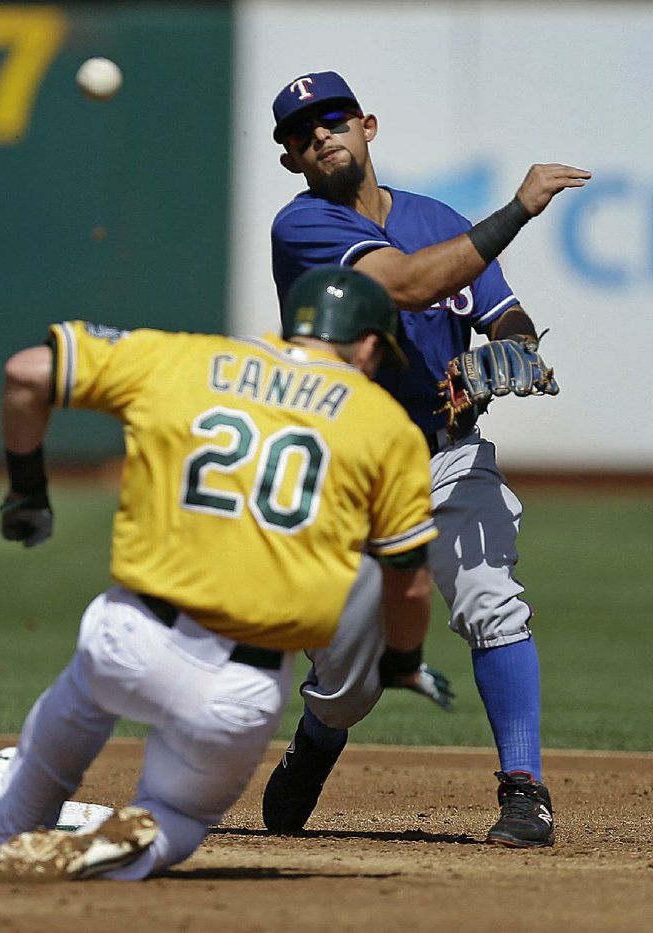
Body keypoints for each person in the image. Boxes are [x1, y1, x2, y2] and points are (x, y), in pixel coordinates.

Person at [0, 265, 451, 880]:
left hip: (132, 635)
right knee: (178, 811)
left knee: (83, 701)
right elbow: (407, 582)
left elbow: (25, 373)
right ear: (365, 344)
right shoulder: (386, 427)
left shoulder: (182, 360)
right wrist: (403, 661)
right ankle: (128, 841)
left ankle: (5, 829)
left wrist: (29, 492)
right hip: (243, 687)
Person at [261, 70, 592, 848]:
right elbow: (409, 285)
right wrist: (519, 209)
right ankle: (320, 730)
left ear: (367, 126)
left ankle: (524, 788)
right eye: (301, 133)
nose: (320, 135)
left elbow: (505, 314)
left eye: (333, 118)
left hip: (449, 456)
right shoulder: (303, 227)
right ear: (291, 159)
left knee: (491, 599)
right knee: (350, 681)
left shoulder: (435, 216)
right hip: (354, 468)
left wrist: (509, 354)